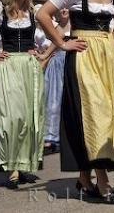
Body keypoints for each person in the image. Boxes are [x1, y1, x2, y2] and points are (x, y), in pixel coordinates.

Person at [37, 0, 114, 200]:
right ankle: (103, 179)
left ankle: (84, 177)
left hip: (105, 57)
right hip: (83, 56)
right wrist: (63, 42)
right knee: (91, 113)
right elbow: (43, 14)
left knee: (108, 112)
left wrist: (111, 41)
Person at [0, 0, 46, 189]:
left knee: (29, 118)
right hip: (8, 67)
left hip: (29, 68)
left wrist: (44, 57)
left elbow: (54, 35)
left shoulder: (33, 12)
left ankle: (23, 165)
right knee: (11, 118)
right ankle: (11, 166)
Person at [42, 8, 70, 155]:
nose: (64, 10)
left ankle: (67, 136)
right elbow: (56, 40)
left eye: (67, 7)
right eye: (62, 7)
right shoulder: (57, 25)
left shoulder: (78, 23)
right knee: (53, 99)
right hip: (57, 62)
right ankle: (51, 136)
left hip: (71, 61)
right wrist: (45, 57)